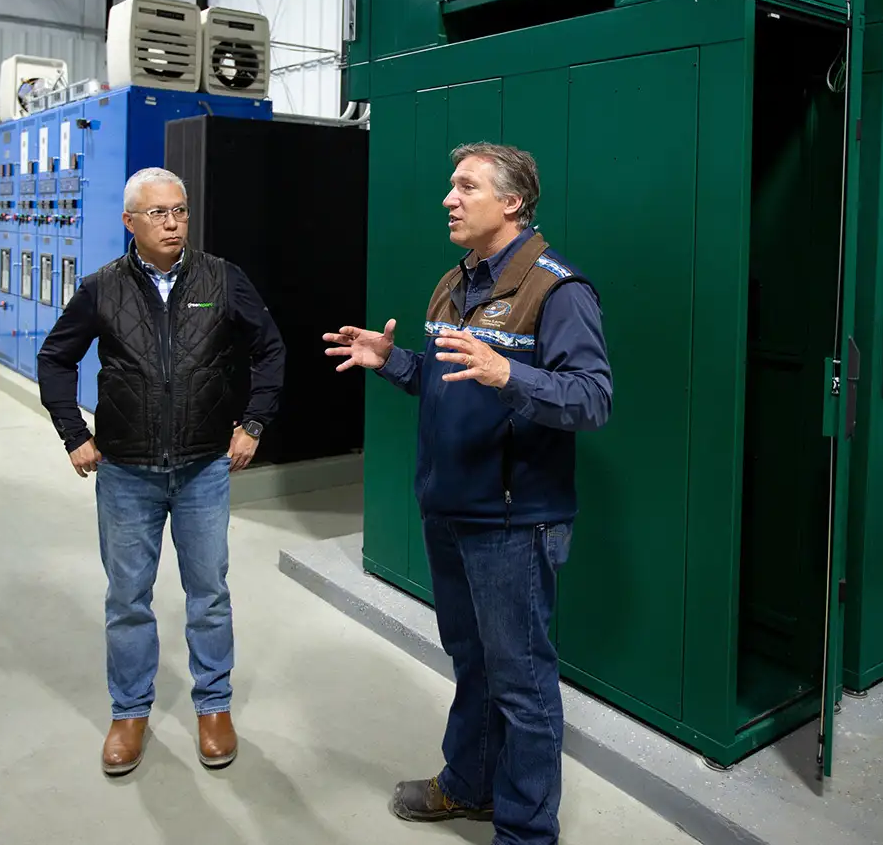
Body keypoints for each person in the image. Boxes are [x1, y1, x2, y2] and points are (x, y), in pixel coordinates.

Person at [324, 143, 612, 845]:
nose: (449, 200)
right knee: (474, 661)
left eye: (465, 187)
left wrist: (510, 375)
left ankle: (525, 831)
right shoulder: (455, 284)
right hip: (451, 508)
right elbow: (450, 380)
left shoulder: (558, 290)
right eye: (451, 186)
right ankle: (469, 785)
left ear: (512, 202)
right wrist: (393, 362)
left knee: (522, 681)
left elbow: (592, 398)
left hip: (514, 521)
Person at [36, 167, 286, 775]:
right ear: (130, 221)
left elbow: (270, 349)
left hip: (204, 468)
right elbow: (55, 359)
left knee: (209, 595)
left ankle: (214, 706)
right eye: (158, 214)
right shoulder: (101, 289)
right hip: (126, 472)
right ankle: (129, 712)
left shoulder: (222, 279)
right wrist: (74, 434)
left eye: (180, 211)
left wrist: (252, 423)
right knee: (127, 598)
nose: (173, 223)